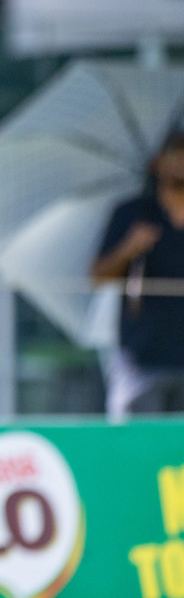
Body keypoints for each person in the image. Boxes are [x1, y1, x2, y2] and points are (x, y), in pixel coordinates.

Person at [93, 131, 184, 417]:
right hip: (142, 359)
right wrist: (129, 248)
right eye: (176, 154)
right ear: (158, 162)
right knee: (140, 446)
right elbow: (98, 276)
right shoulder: (133, 213)